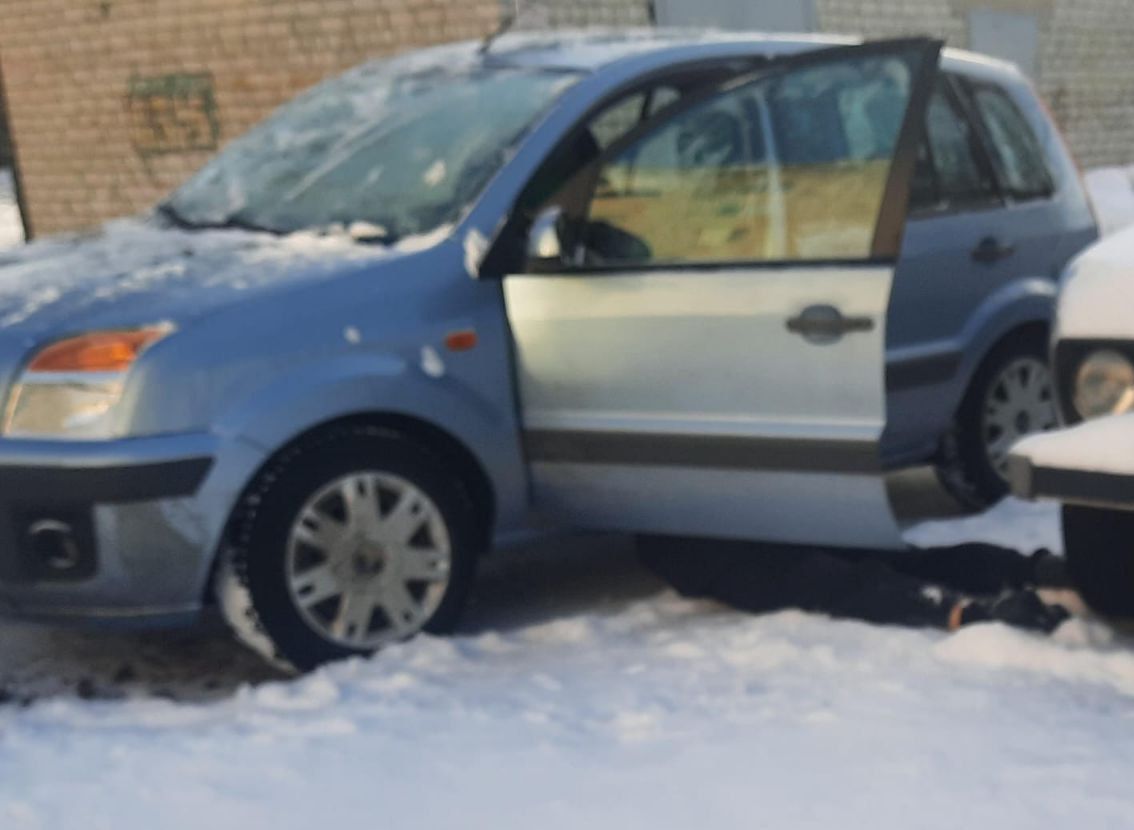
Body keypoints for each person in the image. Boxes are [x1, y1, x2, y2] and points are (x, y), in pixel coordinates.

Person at [639, 537, 1073, 633]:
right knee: (864, 564)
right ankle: (1026, 573)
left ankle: (1014, 581)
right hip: (753, 496)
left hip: (693, 532)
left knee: (825, 577)